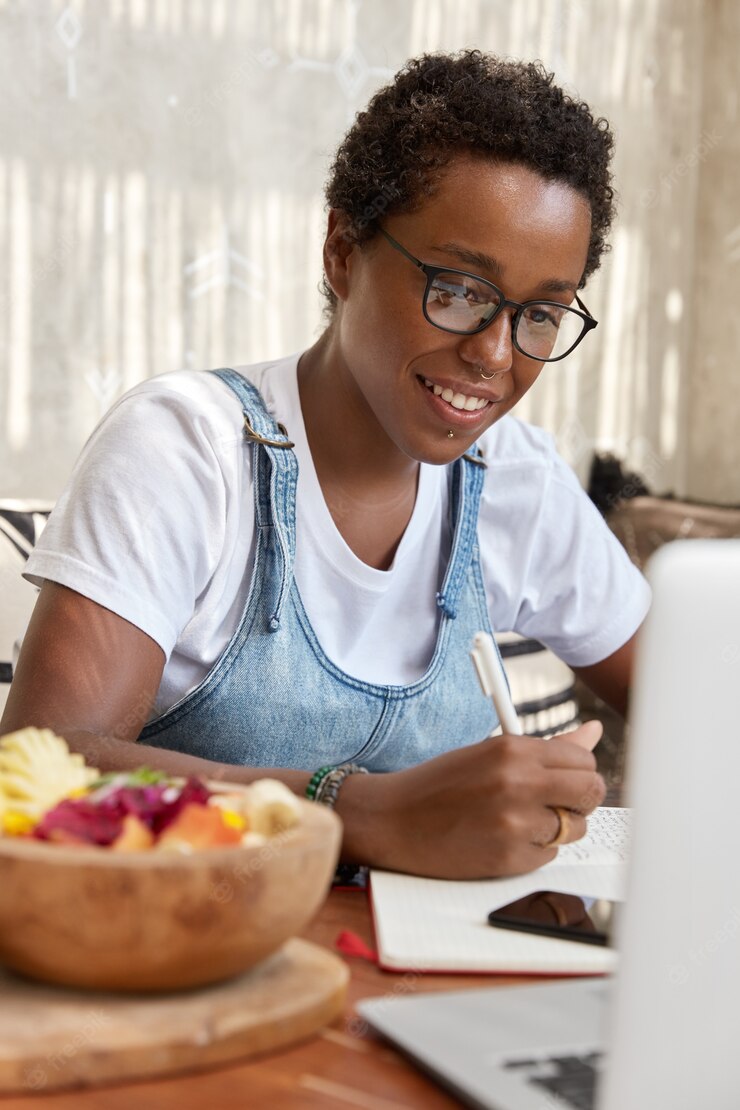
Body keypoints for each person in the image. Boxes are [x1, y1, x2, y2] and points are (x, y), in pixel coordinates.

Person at [1, 51, 650, 880]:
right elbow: (43, 766)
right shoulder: (188, 450)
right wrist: (359, 811)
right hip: (203, 963)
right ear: (342, 251)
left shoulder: (515, 477)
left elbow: (695, 706)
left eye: (543, 315)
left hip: (441, 982)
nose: (494, 353)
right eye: (456, 289)